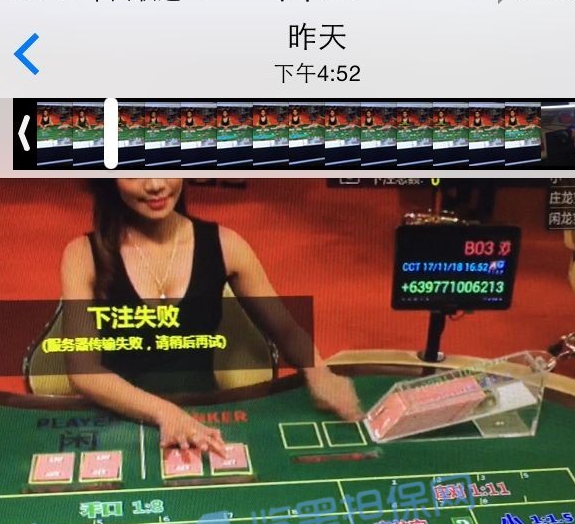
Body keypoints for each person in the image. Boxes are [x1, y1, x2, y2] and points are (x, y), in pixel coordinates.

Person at [60, 179, 361, 456]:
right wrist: (165, 413)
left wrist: (319, 372)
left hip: (205, 417)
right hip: (121, 422)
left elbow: (286, 330)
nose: (155, 184)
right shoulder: (82, 254)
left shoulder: (227, 245)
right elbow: (83, 369)